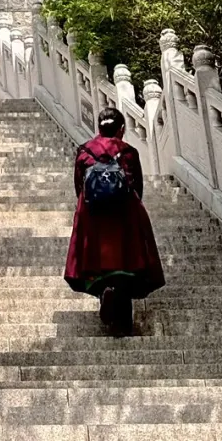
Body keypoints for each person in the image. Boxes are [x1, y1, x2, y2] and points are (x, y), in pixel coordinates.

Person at [65, 105, 165, 334]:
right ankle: (123, 317)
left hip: (93, 214)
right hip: (124, 214)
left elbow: (79, 186)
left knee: (98, 261)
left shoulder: (84, 151)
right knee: (125, 262)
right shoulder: (128, 152)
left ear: (99, 128)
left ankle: (105, 292)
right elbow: (137, 187)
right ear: (121, 129)